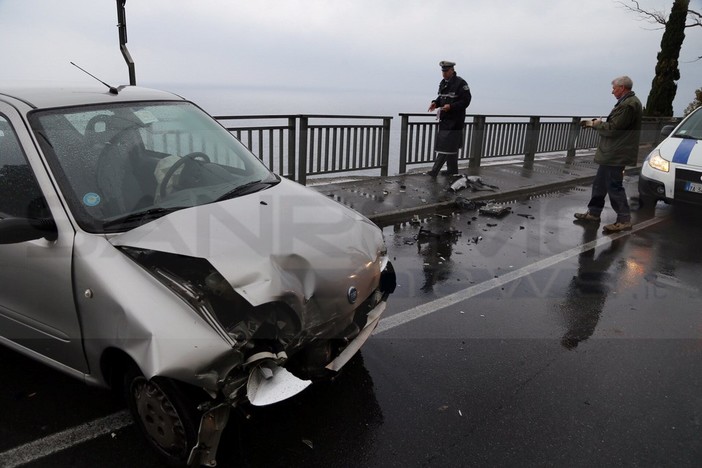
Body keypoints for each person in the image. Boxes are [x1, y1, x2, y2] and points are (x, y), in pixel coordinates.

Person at [574, 75, 642, 233]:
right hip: (613, 152)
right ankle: (594, 212)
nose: (612, 92)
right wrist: (595, 124)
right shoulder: (628, 102)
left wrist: (596, 124)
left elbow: (613, 129)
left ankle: (624, 219)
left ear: (622, 88)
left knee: (614, 186)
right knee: (600, 184)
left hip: (616, 153)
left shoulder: (628, 105)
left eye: (614, 88)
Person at [426, 60, 472, 177]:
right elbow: (441, 98)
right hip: (445, 120)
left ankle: (434, 172)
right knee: (451, 147)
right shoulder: (443, 83)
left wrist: (451, 106)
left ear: (452, 70)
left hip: (455, 121)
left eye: (446, 71)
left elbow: (466, 101)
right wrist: (435, 103)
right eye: (443, 71)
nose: (444, 73)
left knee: (445, 147)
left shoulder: (461, 83)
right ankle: (452, 170)